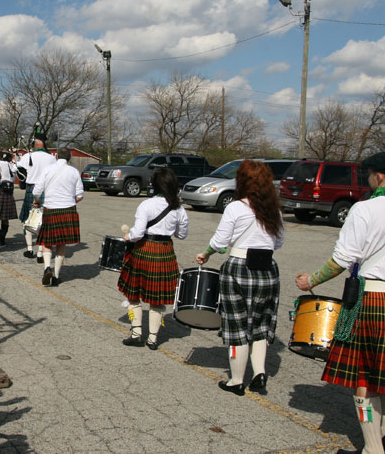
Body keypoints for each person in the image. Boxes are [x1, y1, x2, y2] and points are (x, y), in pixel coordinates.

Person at [296, 152, 385, 454]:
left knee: (363, 377)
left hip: (368, 300)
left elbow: (342, 260)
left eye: (369, 174)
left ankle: (373, 449)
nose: (367, 179)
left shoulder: (364, 210)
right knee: (383, 373)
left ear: (379, 177)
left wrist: (311, 281)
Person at [196, 160, 284, 396]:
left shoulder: (235, 207)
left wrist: (206, 253)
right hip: (267, 269)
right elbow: (279, 242)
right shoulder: (273, 209)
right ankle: (259, 373)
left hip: (239, 267)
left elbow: (219, 241)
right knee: (260, 324)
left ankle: (236, 380)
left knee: (237, 324)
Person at [118, 167, 188, 350]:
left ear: (154, 185)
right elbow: (182, 235)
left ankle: (136, 333)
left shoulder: (146, 205)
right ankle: (153, 338)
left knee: (133, 296)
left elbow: (138, 233)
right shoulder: (179, 208)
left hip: (143, 249)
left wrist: (128, 237)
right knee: (157, 298)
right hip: (164, 252)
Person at [32, 147, 83, 287]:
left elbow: (36, 191)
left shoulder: (47, 170)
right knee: (61, 243)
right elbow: (80, 195)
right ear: (69, 158)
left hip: (50, 208)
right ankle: (55, 276)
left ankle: (47, 267)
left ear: (56, 157)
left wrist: (38, 201)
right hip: (68, 210)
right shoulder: (74, 171)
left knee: (47, 242)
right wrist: (69, 201)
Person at [16, 132, 55, 259]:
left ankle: (29, 249)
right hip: (46, 190)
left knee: (28, 220)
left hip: (31, 189)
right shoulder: (51, 158)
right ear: (44, 142)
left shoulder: (28, 156)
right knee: (42, 222)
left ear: (35, 142)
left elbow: (18, 172)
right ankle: (40, 253)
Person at [0, 152, 17, 246]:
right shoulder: (12, 165)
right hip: (9, 190)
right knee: (5, 217)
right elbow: (14, 178)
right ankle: (2, 238)